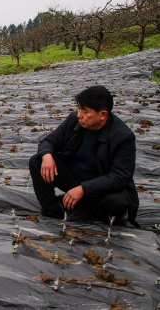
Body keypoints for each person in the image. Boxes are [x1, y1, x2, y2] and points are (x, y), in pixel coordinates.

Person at [29, 85, 139, 226]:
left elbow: (120, 176)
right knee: (36, 162)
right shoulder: (75, 120)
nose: (79, 114)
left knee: (116, 202)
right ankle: (53, 212)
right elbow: (49, 141)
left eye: (85, 111)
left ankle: (88, 210)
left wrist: (84, 189)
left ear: (103, 115)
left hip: (102, 187)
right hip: (75, 179)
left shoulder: (123, 137)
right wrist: (46, 155)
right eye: (79, 109)